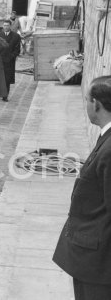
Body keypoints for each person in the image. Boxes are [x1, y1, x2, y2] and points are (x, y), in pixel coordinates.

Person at [53, 76, 111, 300]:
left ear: (96, 104)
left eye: (87, 99)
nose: (86, 104)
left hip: (99, 262)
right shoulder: (105, 137)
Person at [0, 20, 22, 102]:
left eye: (7, 25)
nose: (6, 27)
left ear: (10, 26)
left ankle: (5, 95)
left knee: (7, 79)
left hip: (9, 61)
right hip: (0, 60)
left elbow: (17, 49)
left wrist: (12, 56)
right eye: (4, 25)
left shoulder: (16, 36)